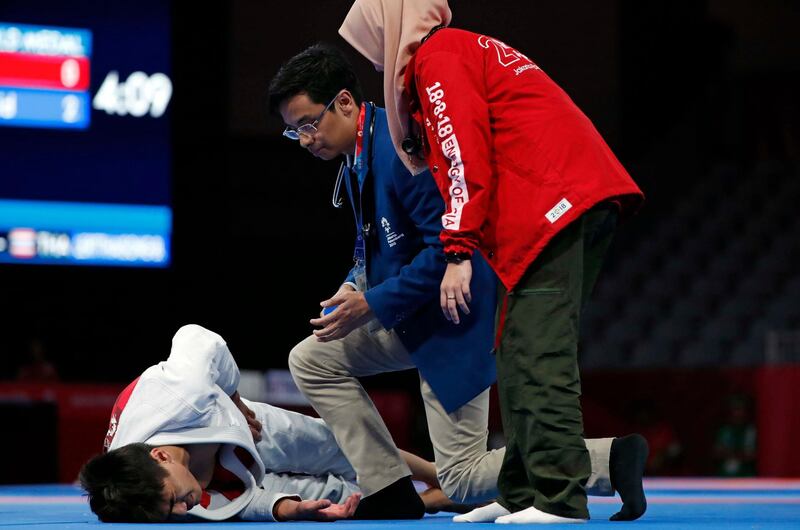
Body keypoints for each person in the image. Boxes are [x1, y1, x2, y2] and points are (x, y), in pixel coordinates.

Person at [269, 43, 647, 522]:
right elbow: (376, 248)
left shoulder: (402, 144)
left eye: (308, 124)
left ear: (345, 103)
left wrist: (371, 303)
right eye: (293, 131)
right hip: (410, 317)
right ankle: (388, 486)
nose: (305, 140)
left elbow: (446, 249)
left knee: (461, 478)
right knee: (311, 358)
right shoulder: (356, 160)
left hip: (453, 319)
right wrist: (352, 284)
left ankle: (605, 461)